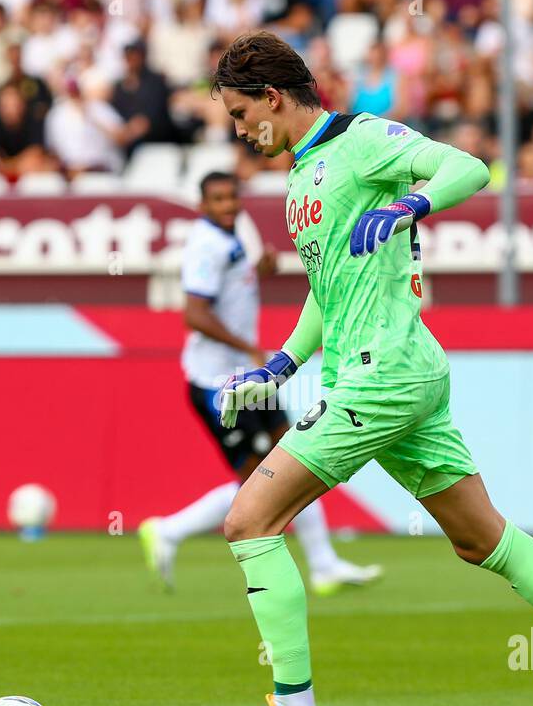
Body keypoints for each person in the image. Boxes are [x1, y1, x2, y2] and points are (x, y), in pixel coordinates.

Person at [200, 32, 533, 706]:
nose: (236, 131)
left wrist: (412, 204)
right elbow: (330, 294)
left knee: (249, 519)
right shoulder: (300, 182)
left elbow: (468, 166)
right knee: (482, 538)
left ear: (271, 98)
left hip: (381, 375)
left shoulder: (360, 140)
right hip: (394, 375)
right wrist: (280, 365)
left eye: (238, 113)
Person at [138, 171, 381, 597]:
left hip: (248, 379)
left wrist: (257, 271)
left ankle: (324, 565)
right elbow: (193, 314)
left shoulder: (231, 237)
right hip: (218, 385)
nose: (228, 205)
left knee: (294, 459)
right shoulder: (205, 245)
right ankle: (169, 530)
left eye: (232, 197)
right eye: (217, 199)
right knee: (259, 482)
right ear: (202, 205)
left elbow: (230, 292)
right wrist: (248, 347)